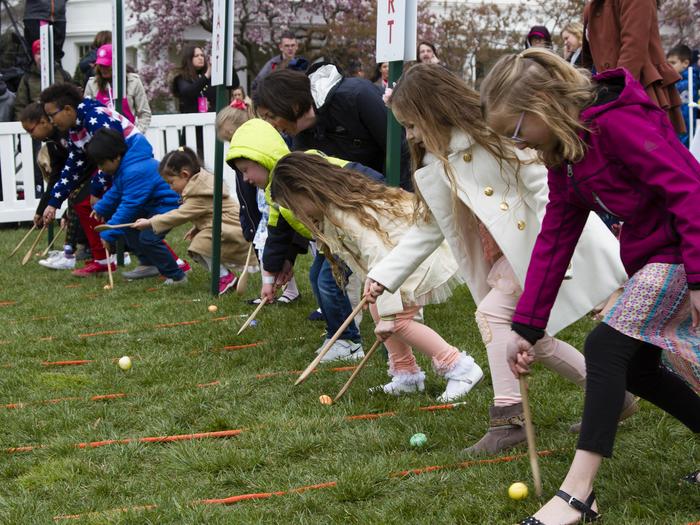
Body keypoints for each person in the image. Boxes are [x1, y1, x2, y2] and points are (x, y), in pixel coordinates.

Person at [364, 62, 633, 455]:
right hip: (505, 256)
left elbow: (544, 191)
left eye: (413, 124)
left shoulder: (497, 137)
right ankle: (615, 397)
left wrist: (560, 255)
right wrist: (386, 275)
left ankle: (509, 418)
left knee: (492, 316)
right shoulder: (436, 166)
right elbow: (429, 229)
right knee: (532, 338)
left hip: (538, 248)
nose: (410, 135)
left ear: (434, 111)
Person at [480, 48, 700, 525]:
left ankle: (578, 495)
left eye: (517, 132)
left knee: (603, 347)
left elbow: (689, 189)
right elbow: (556, 235)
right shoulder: (567, 153)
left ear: (542, 103)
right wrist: (528, 327)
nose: (519, 145)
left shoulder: (620, 122)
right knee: (637, 371)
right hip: (651, 259)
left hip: (684, 252)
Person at [272, 152, 484, 400]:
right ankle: (406, 376)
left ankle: (460, 367)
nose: (298, 215)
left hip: (408, 260)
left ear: (306, 189)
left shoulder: (344, 213)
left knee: (399, 321)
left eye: (295, 207)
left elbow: (379, 253)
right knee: (379, 312)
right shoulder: (333, 208)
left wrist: (388, 310)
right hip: (393, 264)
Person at [226, 119, 384, 360]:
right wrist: (275, 271)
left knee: (329, 282)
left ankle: (348, 342)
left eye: (246, 169)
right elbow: (278, 234)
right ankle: (337, 334)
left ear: (263, 159)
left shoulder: (304, 167)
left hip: (351, 231)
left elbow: (356, 173)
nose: (245, 178)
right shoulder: (273, 192)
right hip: (330, 239)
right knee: (316, 277)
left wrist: (380, 191)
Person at [253, 66, 412, 191]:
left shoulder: (356, 95)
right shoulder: (302, 141)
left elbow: (402, 149)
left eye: (271, 116)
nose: (270, 125)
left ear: (293, 106)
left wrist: (399, 201)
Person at [39, 83, 142, 276]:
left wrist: (96, 191)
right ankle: (103, 259)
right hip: (116, 168)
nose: (51, 122)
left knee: (123, 211)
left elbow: (112, 153)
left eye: (52, 115)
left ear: (68, 109)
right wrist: (53, 203)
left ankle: (171, 262)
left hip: (132, 164)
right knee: (83, 203)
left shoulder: (96, 118)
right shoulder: (75, 129)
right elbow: (72, 168)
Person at [132, 147, 250, 294]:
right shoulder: (198, 186)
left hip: (233, 228)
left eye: (171, 182)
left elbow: (179, 215)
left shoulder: (199, 193)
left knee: (201, 244)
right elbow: (209, 212)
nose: (170, 187)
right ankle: (223, 277)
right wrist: (198, 227)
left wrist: (150, 222)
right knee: (197, 248)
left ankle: (224, 277)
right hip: (226, 225)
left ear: (184, 174)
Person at [87, 129, 186, 286]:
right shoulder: (126, 166)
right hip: (152, 205)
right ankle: (149, 264)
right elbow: (118, 191)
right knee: (131, 228)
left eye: (102, 163)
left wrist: (109, 233)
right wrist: (102, 207)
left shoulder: (134, 170)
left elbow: (130, 206)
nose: (100, 169)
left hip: (167, 205)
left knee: (149, 238)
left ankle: (177, 276)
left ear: (116, 157)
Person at [582, 0, 685, 134]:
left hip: (637, 87)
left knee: (646, 148)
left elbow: (633, 47)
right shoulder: (592, 4)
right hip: (606, 88)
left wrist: (617, 90)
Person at [84, 44, 152, 132]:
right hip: (102, 139)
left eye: (107, 65)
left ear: (117, 64)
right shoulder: (92, 84)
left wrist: (137, 134)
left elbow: (144, 113)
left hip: (128, 138)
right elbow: (86, 113)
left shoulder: (133, 82)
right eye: (101, 65)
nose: (103, 69)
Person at [13, 39, 73, 121]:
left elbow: (71, 99)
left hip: (59, 121)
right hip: (36, 123)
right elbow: (20, 105)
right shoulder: (27, 78)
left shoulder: (63, 75)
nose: (42, 57)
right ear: (34, 56)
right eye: (38, 53)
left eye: (45, 53)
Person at [667, 44, 699, 148]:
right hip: (675, 122)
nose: (669, 66)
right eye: (668, 63)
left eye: (673, 63)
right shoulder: (671, 80)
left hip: (688, 122)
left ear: (685, 63)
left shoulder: (693, 77)